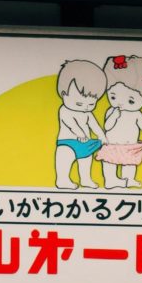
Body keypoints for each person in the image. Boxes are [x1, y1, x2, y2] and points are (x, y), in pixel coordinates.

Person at [96, 54, 142, 188]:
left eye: (130, 100)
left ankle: (129, 179)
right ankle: (110, 180)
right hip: (113, 144)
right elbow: (107, 126)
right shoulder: (112, 110)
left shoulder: (136, 114)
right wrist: (114, 115)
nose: (120, 102)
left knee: (130, 163)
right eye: (113, 96)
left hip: (130, 145)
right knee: (109, 163)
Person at [55, 60, 107, 190]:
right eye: (79, 104)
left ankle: (86, 179)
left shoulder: (87, 113)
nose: (85, 108)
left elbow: (94, 125)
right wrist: (80, 134)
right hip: (67, 142)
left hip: (85, 142)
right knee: (64, 160)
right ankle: (62, 180)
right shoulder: (64, 110)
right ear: (64, 95)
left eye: (91, 104)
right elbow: (71, 123)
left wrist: (102, 136)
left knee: (86, 161)